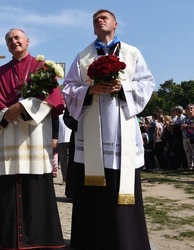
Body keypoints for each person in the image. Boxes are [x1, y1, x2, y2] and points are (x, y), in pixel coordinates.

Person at [63, 9, 154, 250]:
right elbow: (68, 88)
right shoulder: (83, 57)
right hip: (91, 135)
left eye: (104, 18)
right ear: (93, 28)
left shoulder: (132, 53)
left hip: (121, 131)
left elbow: (147, 84)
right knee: (91, 192)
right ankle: (90, 242)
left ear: (115, 24)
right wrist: (89, 91)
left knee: (120, 187)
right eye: (95, 20)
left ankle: (126, 242)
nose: (99, 21)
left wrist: (122, 87)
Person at [0, 28, 65, 249]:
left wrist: (23, 107)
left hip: (36, 134)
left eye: (17, 38)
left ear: (27, 40)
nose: (13, 42)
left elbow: (53, 100)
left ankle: (41, 239)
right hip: (10, 134)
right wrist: (11, 113)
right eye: (9, 40)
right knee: (10, 185)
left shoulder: (42, 68)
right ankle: (10, 241)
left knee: (37, 185)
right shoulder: (0, 74)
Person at [57, 113, 72, 184]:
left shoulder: (71, 112)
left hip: (70, 139)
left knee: (72, 160)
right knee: (63, 161)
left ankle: (72, 179)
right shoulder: (58, 114)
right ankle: (65, 179)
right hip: (61, 140)